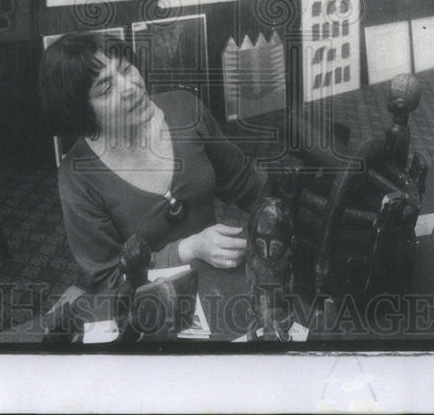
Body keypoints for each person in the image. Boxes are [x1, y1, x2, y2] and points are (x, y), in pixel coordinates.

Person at [40, 32, 268, 293]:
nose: (130, 87)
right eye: (105, 88)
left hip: (218, 277)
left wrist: (293, 214)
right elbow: (109, 280)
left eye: (126, 69)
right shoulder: (78, 177)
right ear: (81, 110)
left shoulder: (186, 110)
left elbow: (247, 183)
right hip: (148, 301)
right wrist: (188, 249)